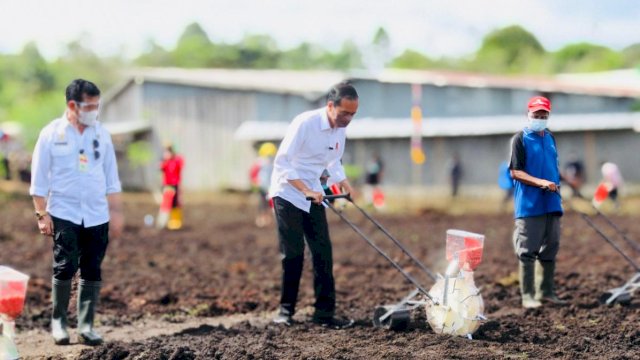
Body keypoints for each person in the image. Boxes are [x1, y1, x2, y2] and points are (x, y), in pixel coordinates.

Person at [29, 79, 124, 345]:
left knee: (92, 268)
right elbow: (38, 180)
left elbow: (111, 177)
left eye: (97, 105)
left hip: (97, 213)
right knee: (65, 266)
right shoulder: (51, 134)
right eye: (90, 105)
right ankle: (59, 322)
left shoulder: (101, 133)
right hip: (63, 211)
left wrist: (116, 212)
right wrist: (41, 213)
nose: (95, 110)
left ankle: (86, 326)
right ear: (73, 105)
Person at [269, 82, 358, 329]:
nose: (348, 119)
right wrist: (305, 190)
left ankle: (324, 314)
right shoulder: (305, 123)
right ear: (330, 106)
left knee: (322, 253)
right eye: (344, 113)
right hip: (288, 193)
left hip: (315, 195)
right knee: (294, 254)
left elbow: (333, 162)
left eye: (352, 114)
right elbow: (282, 163)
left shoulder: (340, 130)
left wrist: (345, 184)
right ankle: (285, 312)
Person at [509, 95, 566, 309]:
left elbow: (552, 166)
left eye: (543, 115)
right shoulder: (520, 139)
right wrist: (540, 182)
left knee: (552, 245)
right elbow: (515, 172)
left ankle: (547, 291)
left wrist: (562, 180)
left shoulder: (550, 138)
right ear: (528, 115)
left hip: (552, 202)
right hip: (530, 204)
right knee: (528, 249)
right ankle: (528, 296)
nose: (539, 118)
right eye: (536, 115)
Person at [157, 144, 184, 230]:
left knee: (175, 204)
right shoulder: (164, 163)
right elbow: (161, 169)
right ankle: (162, 222)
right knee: (166, 204)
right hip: (168, 185)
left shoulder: (176, 161)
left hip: (175, 185)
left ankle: (175, 222)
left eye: (168, 151)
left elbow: (179, 171)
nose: (166, 154)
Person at [255, 142, 276, 227]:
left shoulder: (273, 163)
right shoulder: (260, 162)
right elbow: (254, 173)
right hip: (264, 187)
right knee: (263, 204)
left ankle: (268, 219)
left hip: (270, 187)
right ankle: (263, 218)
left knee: (269, 204)